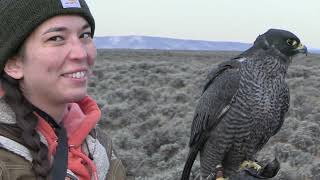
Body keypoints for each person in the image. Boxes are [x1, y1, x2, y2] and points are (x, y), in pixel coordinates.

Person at [0, 0, 126, 179]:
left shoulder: (98, 147)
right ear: (14, 64)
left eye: (85, 35)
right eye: (56, 38)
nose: (81, 53)